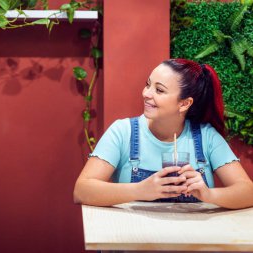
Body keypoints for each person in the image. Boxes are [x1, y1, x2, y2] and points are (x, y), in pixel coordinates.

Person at [73, 58, 253, 209]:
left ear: (184, 103)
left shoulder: (207, 137)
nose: (146, 94)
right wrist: (140, 190)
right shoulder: (122, 132)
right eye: (148, 85)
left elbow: (248, 192)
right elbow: (82, 190)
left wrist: (208, 194)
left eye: (159, 90)